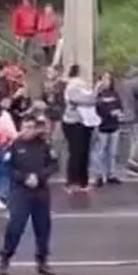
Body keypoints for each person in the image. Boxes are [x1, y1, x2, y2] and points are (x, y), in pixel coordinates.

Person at [0, 115, 59, 275]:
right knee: (15, 226)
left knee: (43, 227)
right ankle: (5, 259)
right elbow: (8, 167)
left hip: (41, 190)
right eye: (25, 127)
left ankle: (42, 260)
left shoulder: (44, 145)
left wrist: (40, 176)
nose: (29, 131)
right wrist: (23, 178)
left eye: (32, 127)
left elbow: (53, 165)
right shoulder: (15, 146)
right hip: (21, 191)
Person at [62, 64, 99, 193]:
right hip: (73, 122)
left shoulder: (82, 86)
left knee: (84, 152)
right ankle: (72, 181)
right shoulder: (73, 86)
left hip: (85, 122)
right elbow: (84, 100)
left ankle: (83, 181)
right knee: (76, 152)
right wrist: (95, 93)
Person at [92, 71, 123, 187]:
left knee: (112, 152)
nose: (106, 82)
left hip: (114, 126)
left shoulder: (115, 94)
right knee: (100, 152)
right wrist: (109, 112)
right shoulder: (98, 95)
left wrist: (119, 113)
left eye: (108, 79)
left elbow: (120, 106)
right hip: (102, 126)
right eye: (104, 79)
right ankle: (99, 175)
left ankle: (111, 174)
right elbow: (96, 108)